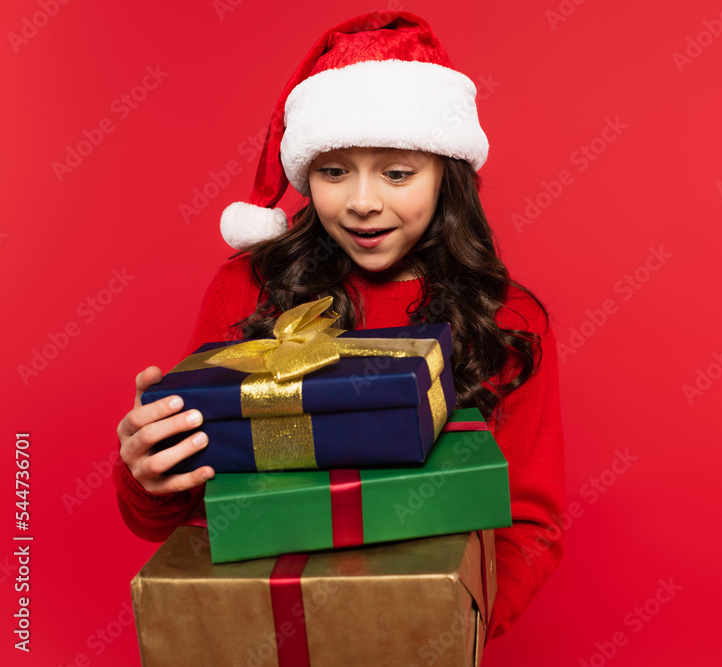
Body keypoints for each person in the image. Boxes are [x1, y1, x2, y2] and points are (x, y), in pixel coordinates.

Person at [113, 10, 565, 641]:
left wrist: (449, 628)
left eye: (398, 172)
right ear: (307, 176)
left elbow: (531, 525)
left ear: (448, 174)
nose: (362, 202)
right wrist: (149, 471)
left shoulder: (507, 318)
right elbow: (172, 518)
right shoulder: (248, 289)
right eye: (334, 171)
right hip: (259, 635)